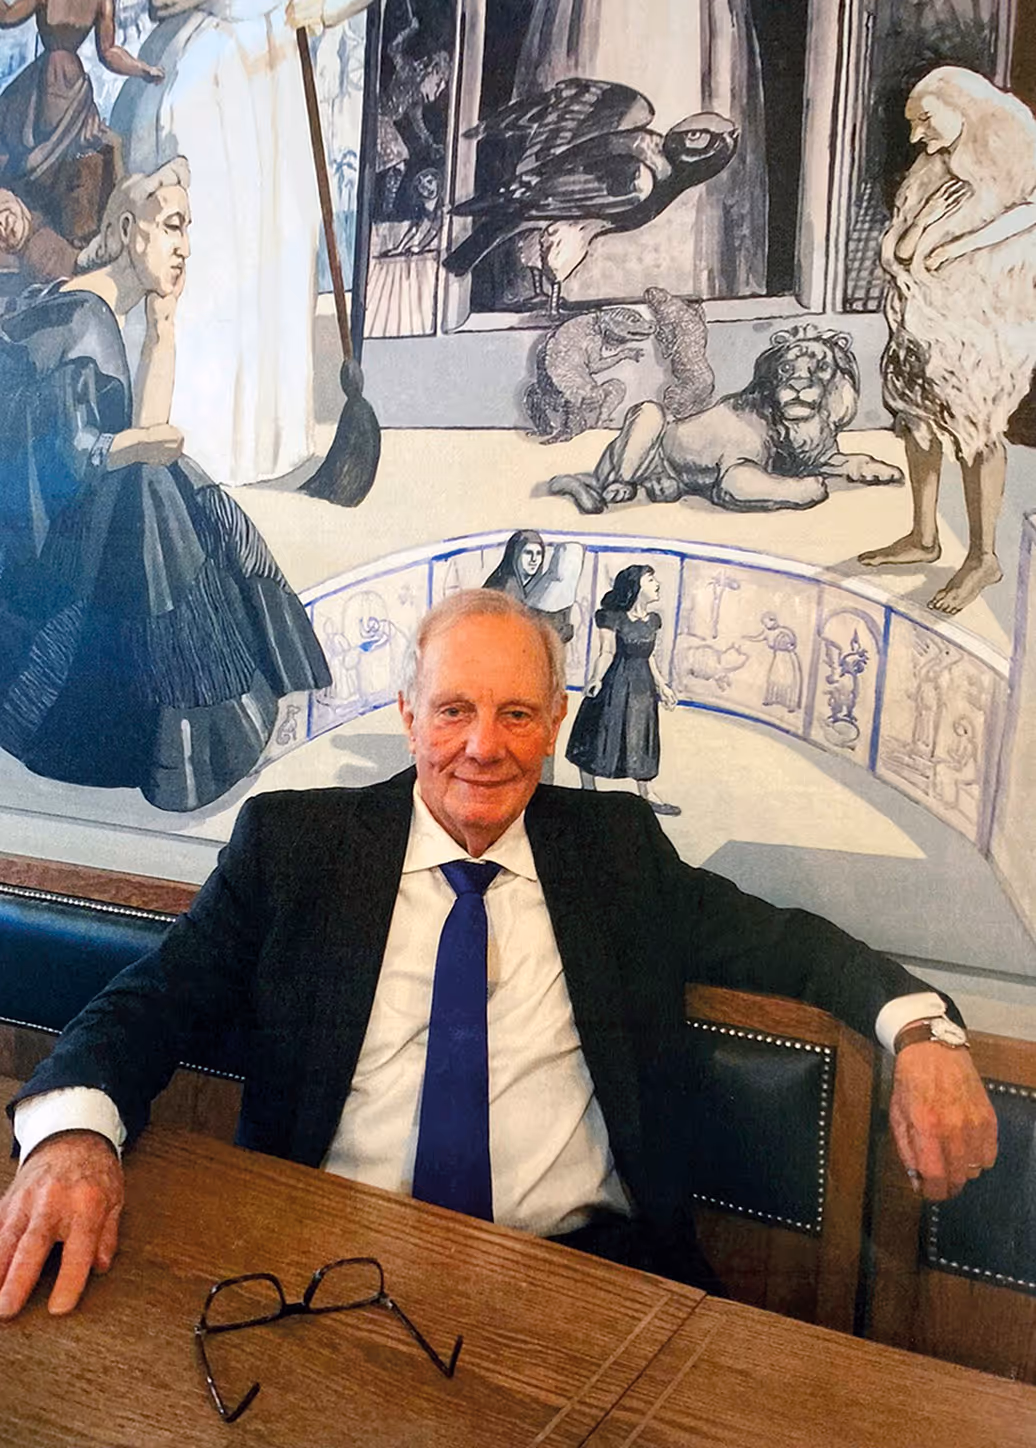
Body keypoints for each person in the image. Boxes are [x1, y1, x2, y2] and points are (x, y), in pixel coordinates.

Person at [0, 589, 997, 1318]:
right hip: (324, 1260)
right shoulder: (295, 845)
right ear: (407, 714)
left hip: (590, 1276)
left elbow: (791, 945)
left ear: (555, 721)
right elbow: (154, 995)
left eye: (517, 713)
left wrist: (920, 1031)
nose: (484, 745)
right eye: (454, 710)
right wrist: (74, 1132)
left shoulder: (613, 853)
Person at [0, 158, 331, 809]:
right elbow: (53, 455)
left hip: (85, 536)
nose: (185, 247)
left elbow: (143, 430)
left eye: (189, 230)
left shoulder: (106, 314)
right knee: (160, 495)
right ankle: (193, 735)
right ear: (128, 229)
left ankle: (207, 721)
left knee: (163, 483)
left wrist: (164, 328)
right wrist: (135, 447)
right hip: (45, 573)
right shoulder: (81, 317)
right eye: (173, 226)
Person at [109, 0, 375, 486]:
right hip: (206, 78)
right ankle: (182, 437)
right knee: (203, 253)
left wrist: (322, 7)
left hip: (270, 68)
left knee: (270, 252)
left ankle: (263, 440)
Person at [859, 67, 1036, 615]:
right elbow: (906, 238)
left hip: (982, 319)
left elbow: (1029, 210)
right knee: (918, 418)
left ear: (960, 104)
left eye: (926, 120)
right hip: (924, 315)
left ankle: (984, 556)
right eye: (913, 125)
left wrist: (951, 249)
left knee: (976, 427)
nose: (918, 136)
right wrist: (909, 249)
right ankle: (923, 534)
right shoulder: (937, 163)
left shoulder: (1011, 142)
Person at [0, 0, 163, 257]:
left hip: (71, 90)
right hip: (43, 86)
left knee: (78, 160)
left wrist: (142, 69)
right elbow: (8, 18)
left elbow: (108, 52)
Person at [565, 564, 679, 815]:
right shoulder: (611, 617)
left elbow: (649, 657)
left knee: (641, 737)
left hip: (642, 688)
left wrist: (662, 685)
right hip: (614, 683)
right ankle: (587, 789)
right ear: (636, 586)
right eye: (651, 580)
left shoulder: (653, 621)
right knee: (600, 733)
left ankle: (647, 792)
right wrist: (595, 679)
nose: (657, 584)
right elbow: (607, 652)